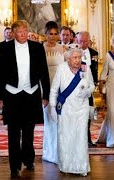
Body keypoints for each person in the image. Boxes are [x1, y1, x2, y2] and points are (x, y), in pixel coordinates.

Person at [0, 20, 50, 178]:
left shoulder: (37, 48)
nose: (23, 34)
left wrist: (46, 95)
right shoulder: (3, 48)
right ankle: (14, 166)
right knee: (13, 132)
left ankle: (29, 160)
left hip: (31, 94)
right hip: (12, 95)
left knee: (28, 131)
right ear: (13, 33)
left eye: (25, 31)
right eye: (20, 32)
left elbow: (44, 73)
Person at [49, 47, 95, 176]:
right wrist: (53, 107)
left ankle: (81, 167)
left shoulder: (85, 68)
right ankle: (66, 165)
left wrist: (88, 91)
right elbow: (54, 89)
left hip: (82, 108)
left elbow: (92, 85)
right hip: (66, 108)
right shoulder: (62, 68)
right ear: (68, 59)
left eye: (79, 57)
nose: (78, 60)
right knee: (66, 136)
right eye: (75, 58)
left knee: (81, 136)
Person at [42, 21, 65, 164]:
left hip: (61, 86)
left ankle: (61, 151)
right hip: (46, 85)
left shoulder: (63, 48)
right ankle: (50, 152)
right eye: (50, 33)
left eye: (56, 33)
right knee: (49, 119)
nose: (53, 36)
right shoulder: (40, 48)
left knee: (60, 119)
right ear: (45, 34)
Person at [76, 31, 98, 147]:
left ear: (89, 41)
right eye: (80, 41)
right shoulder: (73, 53)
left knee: (88, 114)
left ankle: (88, 139)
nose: (83, 43)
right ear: (76, 40)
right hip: (75, 89)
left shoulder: (94, 53)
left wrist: (94, 85)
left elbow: (95, 70)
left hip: (89, 88)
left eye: (85, 41)